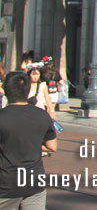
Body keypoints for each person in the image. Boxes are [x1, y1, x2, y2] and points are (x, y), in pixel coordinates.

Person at [0, 71, 58, 209]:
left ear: (6, 92)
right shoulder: (42, 115)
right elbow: (52, 146)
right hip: (34, 183)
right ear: (28, 91)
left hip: (6, 185)